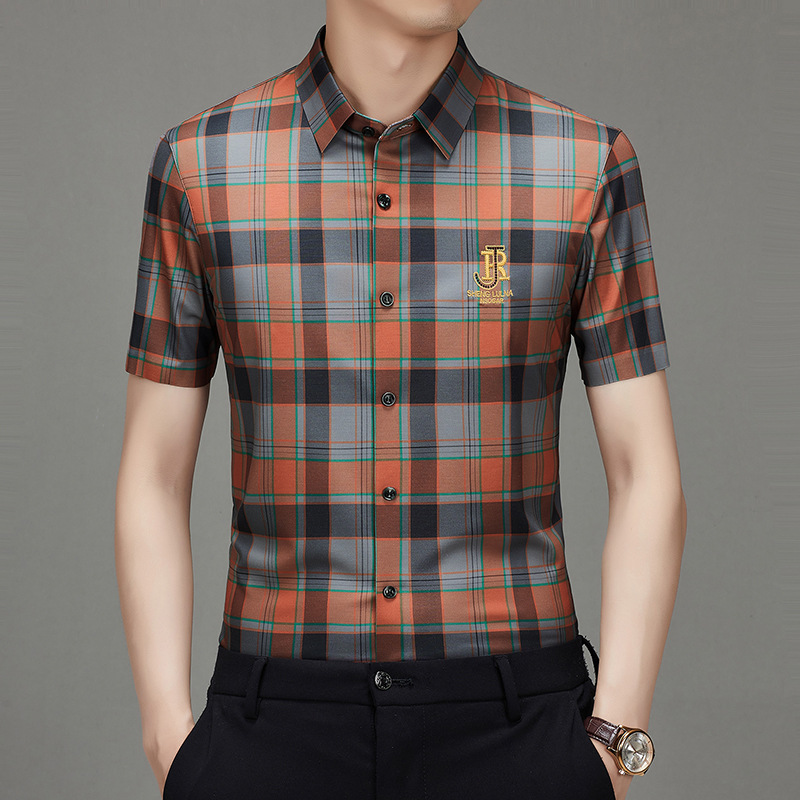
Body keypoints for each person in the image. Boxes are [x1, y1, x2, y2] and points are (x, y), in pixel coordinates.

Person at [115, 2, 687, 798]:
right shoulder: (202, 166)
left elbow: (644, 471)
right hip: (271, 729)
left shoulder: (582, 167)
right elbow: (153, 472)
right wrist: (167, 734)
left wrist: (613, 741)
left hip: (517, 732)